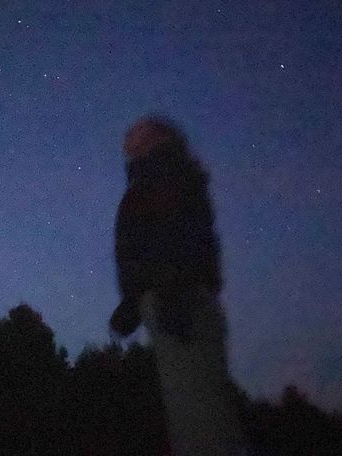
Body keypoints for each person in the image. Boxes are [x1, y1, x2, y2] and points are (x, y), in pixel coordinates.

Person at [110, 117, 248, 456]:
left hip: (182, 302)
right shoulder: (144, 185)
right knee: (188, 411)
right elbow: (135, 249)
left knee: (201, 414)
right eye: (129, 135)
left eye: (141, 132)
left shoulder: (170, 176)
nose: (130, 138)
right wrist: (131, 302)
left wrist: (172, 289)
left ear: (162, 136)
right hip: (162, 301)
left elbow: (184, 236)